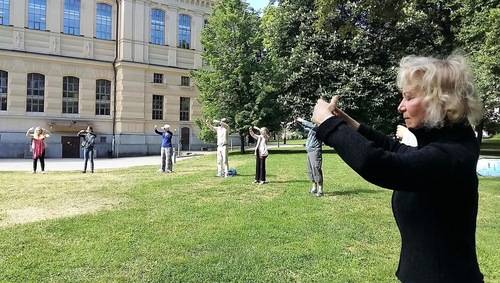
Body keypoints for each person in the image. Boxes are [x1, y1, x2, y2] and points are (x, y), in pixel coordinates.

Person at [311, 55, 484, 282]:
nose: (400, 106)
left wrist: (329, 125)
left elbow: (381, 164)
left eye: (408, 97)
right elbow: (395, 149)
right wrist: (348, 124)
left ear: (440, 100)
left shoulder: (453, 155)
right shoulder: (446, 146)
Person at [295, 117, 324, 197]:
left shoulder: (319, 127)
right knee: (310, 170)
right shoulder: (312, 128)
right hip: (309, 151)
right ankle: (314, 188)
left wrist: (302, 120)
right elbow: (304, 130)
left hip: (315, 151)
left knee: (316, 169)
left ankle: (320, 190)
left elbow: (312, 126)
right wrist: (297, 124)